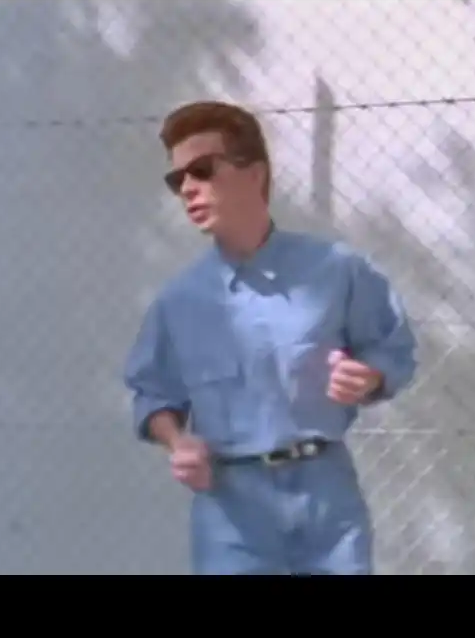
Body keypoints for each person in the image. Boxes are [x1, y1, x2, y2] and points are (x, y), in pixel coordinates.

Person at [122, 100, 417, 575]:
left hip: (326, 500)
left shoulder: (338, 271)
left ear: (255, 173)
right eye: (178, 180)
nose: (189, 189)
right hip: (232, 512)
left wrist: (370, 377)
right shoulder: (179, 301)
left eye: (202, 170)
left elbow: (392, 348)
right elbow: (152, 392)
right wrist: (178, 442)